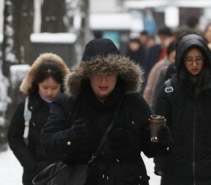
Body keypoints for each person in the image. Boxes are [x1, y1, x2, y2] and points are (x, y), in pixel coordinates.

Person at [41, 38, 171, 185]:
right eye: (97, 74)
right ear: (86, 75)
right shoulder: (68, 103)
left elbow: (151, 149)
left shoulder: (134, 102)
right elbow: (47, 144)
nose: (103, 81)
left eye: (109, 73)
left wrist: (161, 139)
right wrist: (70, 136)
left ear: (119, 74)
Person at [154, 33, 211, 184]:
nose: (194, 64)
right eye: (189, 60)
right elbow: (158, 127)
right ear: (181, 61)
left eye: (199, 59)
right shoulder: (169, 90)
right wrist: (159, 161)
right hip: (176, 169)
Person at [7, 53, 70, 185]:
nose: (49, 92)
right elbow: (14, 137)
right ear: (37, 84)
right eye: (44, 87)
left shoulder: (70, 106)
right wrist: (31, 164)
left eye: (54, 88)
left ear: (62, 85)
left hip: (64, 172)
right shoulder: (26, 106)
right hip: (35, 175)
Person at [143, 40, 176, 106]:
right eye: (174, 58)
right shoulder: (159, 67)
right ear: (168, 55)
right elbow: (149, 91)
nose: (176, 61)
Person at [143, 26, 173, 91]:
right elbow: (148, 66)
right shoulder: (153, 50)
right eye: (161, 38)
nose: (163, 40)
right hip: (155, 79)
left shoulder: (173, 50)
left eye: (165, 38)